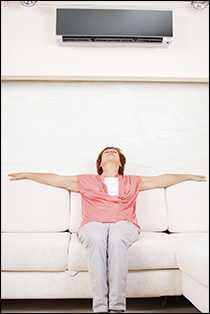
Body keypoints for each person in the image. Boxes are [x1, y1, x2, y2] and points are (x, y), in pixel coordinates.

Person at [8, 146, 207, 313]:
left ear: (120, 163)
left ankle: (117, 307)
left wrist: (190, 176)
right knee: (97, 237)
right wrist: (28, 174)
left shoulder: (132, 181)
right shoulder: (86, 181)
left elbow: (163, 179)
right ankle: (101, 307)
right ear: (100, 163)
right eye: (106, 152)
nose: (110, 153)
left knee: (116, 236)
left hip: (125, 225)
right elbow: (56, 178)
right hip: (92, 225)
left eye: (114, 152)